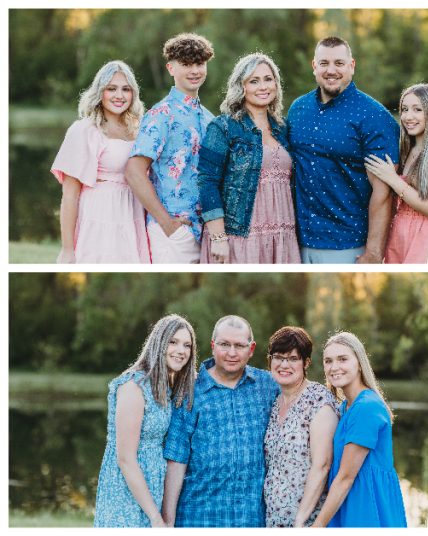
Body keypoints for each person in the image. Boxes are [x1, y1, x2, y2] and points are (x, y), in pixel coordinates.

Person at [288, 36, 400, 264]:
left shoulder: (374, 116)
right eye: (324, 63)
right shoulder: (297, 109)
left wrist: (374, 253)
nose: (331, 70)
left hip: (347, 245)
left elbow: (384, 192)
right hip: (295, 242)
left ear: (352, 66)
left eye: (339, 63)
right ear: (314, 66)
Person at [162, 315, 279, 527]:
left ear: (251, 349)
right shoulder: (188, 391)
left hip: (251, 520)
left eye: (239, 346)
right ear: (213, 346)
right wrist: (167, 523)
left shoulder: (268, 385)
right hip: (199, 518)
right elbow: (176, 459)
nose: (231, 353)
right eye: (225, 344)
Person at [94, 314, 197, 527]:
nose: (181, 350)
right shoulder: (134, 387)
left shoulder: (164, 384)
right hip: (127, 492)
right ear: (159, 344)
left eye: (187, 345)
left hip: (152, 485)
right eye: (173, 342)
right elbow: (126, 459)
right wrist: (155, 517)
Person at [197, 52, 300, 264]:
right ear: (241, 87)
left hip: (282, 233)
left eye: (268, 79)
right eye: (254, 81)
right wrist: (218, 238)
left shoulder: (283, 128)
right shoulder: (223, 127)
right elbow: (207, 181)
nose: (263, 87)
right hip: (240, 236)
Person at [126, 33, 215, 264]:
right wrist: (168, 224)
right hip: (173, 234)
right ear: (170, 68)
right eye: (186, 64)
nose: (195, 70)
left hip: (205, 233)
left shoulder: (209, 119)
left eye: (200, 63)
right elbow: (134, 172)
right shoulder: (161, 114)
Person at [51, 60, 149, 264]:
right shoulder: (84, 130)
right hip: (100, 215)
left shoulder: (139, 130)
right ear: (100, 92)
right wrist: (67, 250)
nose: (119, 96)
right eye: (111, 89)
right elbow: (69, 196)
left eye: (126, 89)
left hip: (133, 213)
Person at [313, 332, 406, 527]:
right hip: (349, 501)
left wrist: (317, 526)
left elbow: (346, 477)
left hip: (367, 506)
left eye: (343, 359)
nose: (334, 367)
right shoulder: (346, 406)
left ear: (359, 363)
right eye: (328, 361)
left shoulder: (366, 407)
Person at [364, 83, 428, 263]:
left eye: (417, 110)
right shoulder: (409, 148)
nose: (408, 116)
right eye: (404, 109)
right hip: (400, 237)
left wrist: (393, 179)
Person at [263, 326, 339, 527]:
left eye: (293, 358)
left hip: (306, 521)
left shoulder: (319, 400)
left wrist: (300, 521)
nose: (284, 364)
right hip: (272, 519)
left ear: (306, 363)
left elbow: (322, 465)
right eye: (278, 357)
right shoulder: (274, 402)